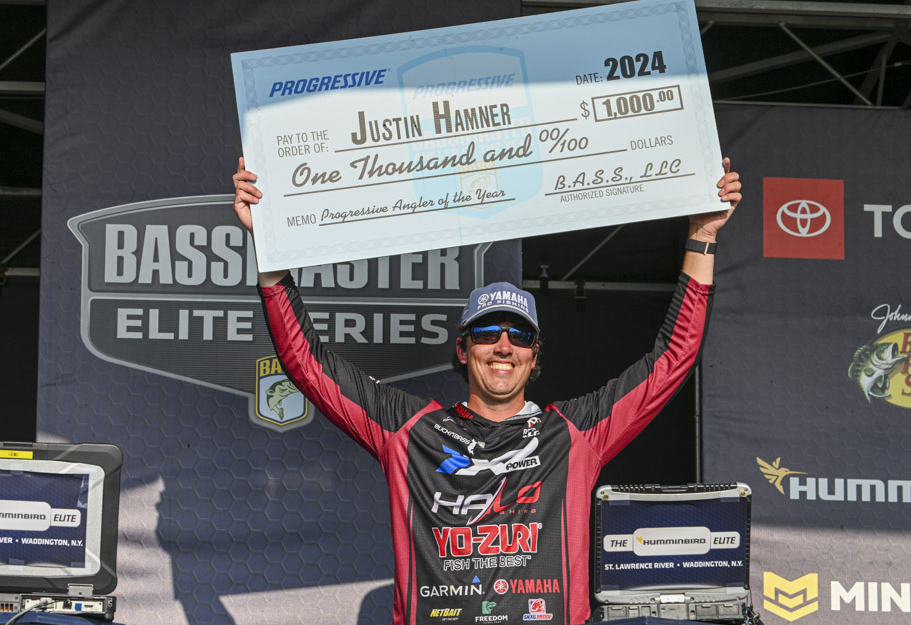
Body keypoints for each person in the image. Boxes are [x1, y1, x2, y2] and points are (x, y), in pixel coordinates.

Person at [233, 157, 741, 625]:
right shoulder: (411, 431)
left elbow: (672, 361)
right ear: (462, 349)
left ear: (534, 356)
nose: (503, 346)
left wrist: (702, 236)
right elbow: (307, 363)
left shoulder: (573, 434)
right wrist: (269, 244)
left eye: (519, 335)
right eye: (486, 332)